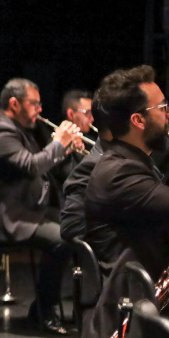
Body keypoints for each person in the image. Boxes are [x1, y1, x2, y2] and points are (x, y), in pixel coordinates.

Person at [82, 65, 169, 338]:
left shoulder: (132, 162)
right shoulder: (119, 172)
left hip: (152, 289)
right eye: (163, 107)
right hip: (136, 304)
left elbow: (147, 236)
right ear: (138, 120)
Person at [0, 78, 81, 334]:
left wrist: (68, 150)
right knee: (62, 239)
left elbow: (44, 166)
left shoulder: (20, 131)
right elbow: (32, 166)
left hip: (26, 210)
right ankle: (43, 311)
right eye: (34, 103)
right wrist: (58, 144)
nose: (39, 110)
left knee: (77, 224)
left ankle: (82, 307)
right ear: (14, 103)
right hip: (6, 219)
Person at [59, 93, 113, 243]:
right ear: (71, 114)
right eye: (88, 113)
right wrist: (66, 151)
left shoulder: (88, 142)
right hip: (66, 210)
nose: (92, 119)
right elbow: (69, 178)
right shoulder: (57, 141)